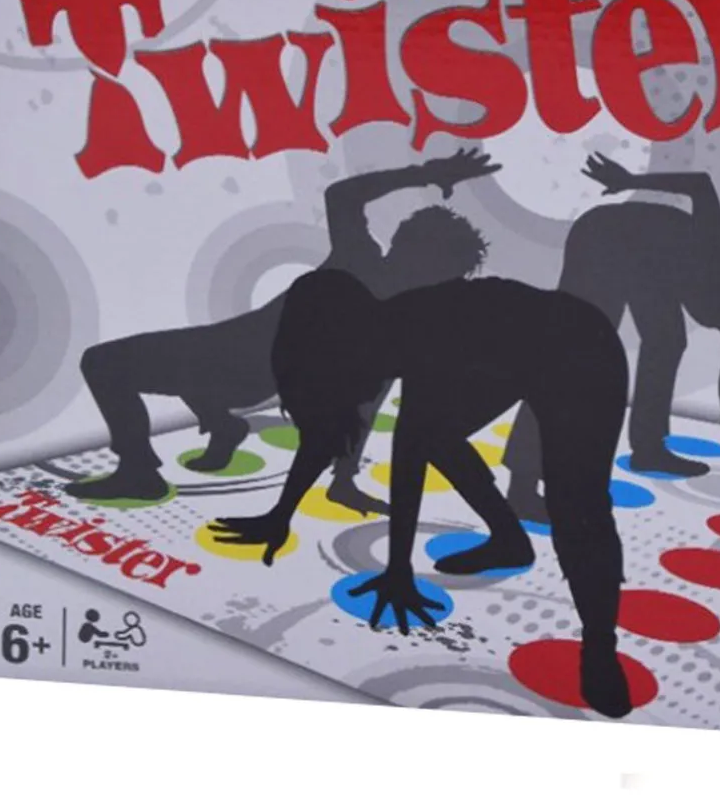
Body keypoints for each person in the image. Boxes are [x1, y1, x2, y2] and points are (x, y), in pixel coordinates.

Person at [209, 266, 634, 718]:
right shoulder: (372, 340)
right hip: (508, 354)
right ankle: (510, 541)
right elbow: (329, 432)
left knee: (578, 503)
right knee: (437, 435)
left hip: (578, 349)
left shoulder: (415, 335)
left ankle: (600, 647)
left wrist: (399, 568)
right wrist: (282, 514)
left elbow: (407, 455)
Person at [65, 151, 497, 511]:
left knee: (104, 363)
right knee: (189, 362)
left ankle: (141, 473)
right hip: (239, 363)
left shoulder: (363, 265)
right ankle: (224, 427)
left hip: (231, 362)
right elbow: (370, 399)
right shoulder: (390, 308)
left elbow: (342, 196)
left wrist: (423, 174)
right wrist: (344, 478)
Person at [504, 154, 720, 521]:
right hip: (606, 237)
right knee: (573, 357)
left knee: (667, 341)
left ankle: (649, 449)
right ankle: (522, 490)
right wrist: (629, 181)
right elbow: (701, 184)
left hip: (650, 266)